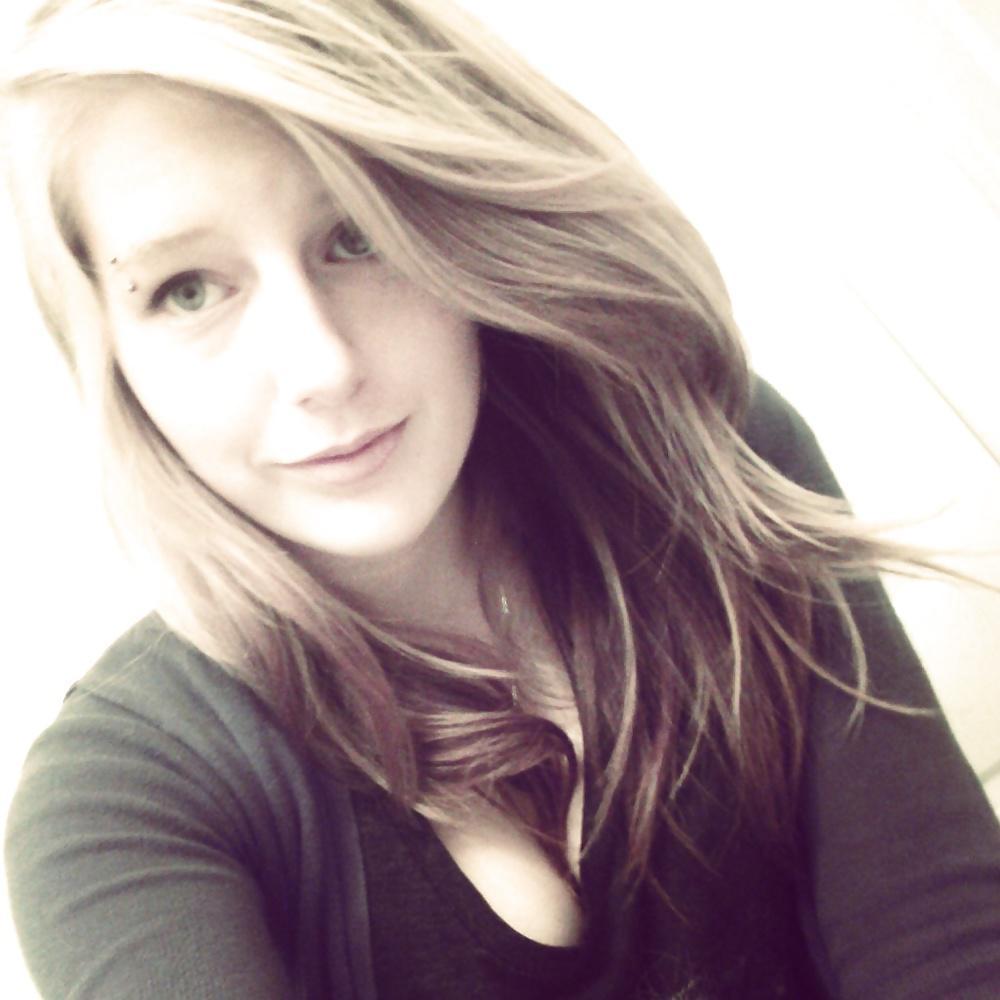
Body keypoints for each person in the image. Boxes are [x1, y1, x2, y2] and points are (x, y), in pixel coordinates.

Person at [3, 1, 999, 997]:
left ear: (457, 222)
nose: (320, 366)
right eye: (187, 288)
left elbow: (941, 939)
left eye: (357, 234)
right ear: (108, 356)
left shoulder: (692, 448)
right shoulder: (120, 806)